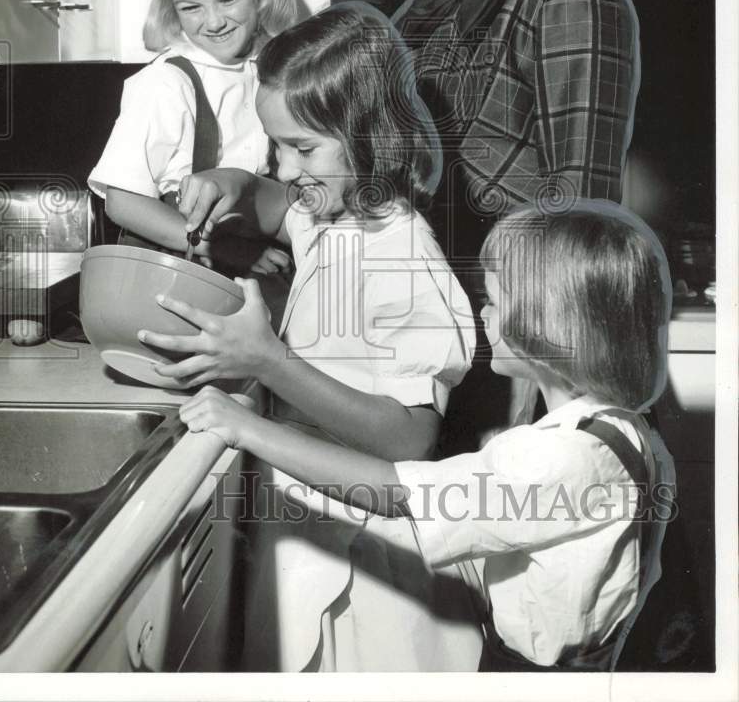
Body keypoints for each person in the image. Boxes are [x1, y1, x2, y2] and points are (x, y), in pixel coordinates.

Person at [176, 201, 676, 672]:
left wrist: (245, 427)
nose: (483, 315)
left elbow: (392, 492)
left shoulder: (559, 456)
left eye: (494, 301)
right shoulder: (624, 433)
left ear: (548, 323)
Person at [138, 4, 482, 671]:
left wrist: (270, 362)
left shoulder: (404, 259)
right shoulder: (332, 214)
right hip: (315, 542)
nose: (287, 168)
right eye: (276, 147)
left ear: (371, 136)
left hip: (374, 584)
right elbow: (274, 204)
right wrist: (229, 181)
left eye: (302, 148)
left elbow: (410, 440)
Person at [346, 0, 641, 441]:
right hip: (437, 357)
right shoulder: (428, 0)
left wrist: (528, 429)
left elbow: (579, 242)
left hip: (531, 379)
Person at [88, 0, 300, 275]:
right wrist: (224, 248)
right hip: (179, 264)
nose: (213, 21)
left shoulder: (271, 70)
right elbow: (121, 201)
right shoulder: (167, 82)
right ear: (172, 8)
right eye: (192, 8)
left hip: (254, 255)